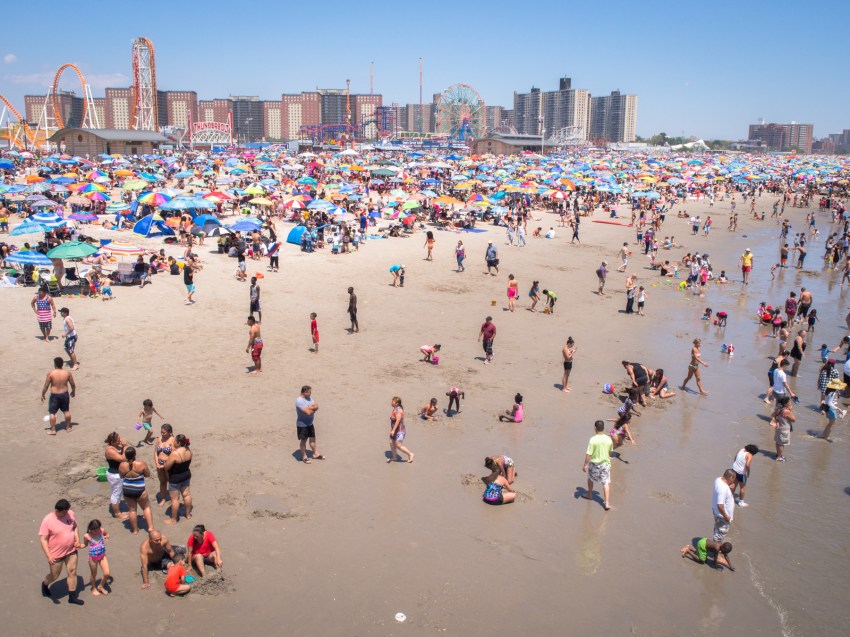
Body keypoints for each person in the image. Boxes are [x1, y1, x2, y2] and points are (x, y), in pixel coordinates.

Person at [39, 499, 84, 605]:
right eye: (61, 512)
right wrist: (48, 555)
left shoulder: (70, 514)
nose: (64, 514)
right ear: (56, 510)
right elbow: (43, 539)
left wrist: (77, 540)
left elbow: (75, 527)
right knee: (54, 575)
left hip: (71, 550)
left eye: (65, 512)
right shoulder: (47, 520)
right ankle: (45, 584)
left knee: (72, 571)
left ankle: (72, 597)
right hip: (56, 554)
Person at [119, 446, 153, 535]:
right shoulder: (141, 463)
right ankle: (150, 527)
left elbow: (121, 476)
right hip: (140, 489)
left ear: (126, 456)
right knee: (146, 507)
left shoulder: (122, 465)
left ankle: (135, 530)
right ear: (135, 454)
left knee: (132, 510)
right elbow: (147, 474)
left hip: (127, 489)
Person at [582, 420, 613, 511]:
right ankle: (607, 503)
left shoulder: (593, 439)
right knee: (605, 482)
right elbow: (610, 451)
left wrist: (585, 465)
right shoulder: (608, 439)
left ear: (595, 428)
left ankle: (590, 494)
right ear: (603, 428)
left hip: (595, 464)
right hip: (605, 464)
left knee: (590, 479)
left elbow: (589, 454)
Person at [161, 434, 192, 524]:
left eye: (174, 441)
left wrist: (165, 461)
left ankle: (174, 519)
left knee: (175, 499)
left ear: (178, 443)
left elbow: (166, 467)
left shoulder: (175, 454)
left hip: (175, 478)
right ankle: (188, 515)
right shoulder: (189, 450)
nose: (173, 442)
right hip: (186, 474)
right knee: (186, 495)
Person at [41, 356, 75, 435]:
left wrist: (43, 394)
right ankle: (68, 427)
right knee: (66, 411)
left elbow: (46, 386)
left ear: (55, 364)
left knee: (52, 413)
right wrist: (73, 391)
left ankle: (53, 430)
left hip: (54, 395)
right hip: (64, 394)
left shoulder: (51, 373)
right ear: (62, 364)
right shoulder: (67, 373)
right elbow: (73, 384)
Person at [295, 385, 323, 463]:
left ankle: (315, 454)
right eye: (309, 392)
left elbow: (316, 406)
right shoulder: (299, 401)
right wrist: (313, 408)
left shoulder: (309, 398)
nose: (311, 394)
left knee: (313, 439)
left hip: (310, 424)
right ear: (305, 392)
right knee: (303, 440)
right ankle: (304, 456)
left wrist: (311, 407)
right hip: (302, 425)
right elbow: (308, 413)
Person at [104, 432, 128, 520]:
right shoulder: (110, 450)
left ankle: (118, 509)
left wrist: (122, 446)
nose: (120, 441)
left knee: (120, 492)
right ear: (112, 441)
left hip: (119, 473)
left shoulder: (116, 446)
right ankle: (117, 513)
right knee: (116, 494)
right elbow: (122, 458)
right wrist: (125, 446)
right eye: (118, 440)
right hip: (114, 475)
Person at [82, 519, 110, 596]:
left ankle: (100, 586)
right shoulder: (87, 536)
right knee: (94, 574)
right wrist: (79, 546)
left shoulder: (102, 530)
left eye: (98, 529)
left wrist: (106, 537)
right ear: (90, 529)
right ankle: (94, 588)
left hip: (102, 555)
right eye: (95, 530)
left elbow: (107, 534)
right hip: (93, 558)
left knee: (107, 573)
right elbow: (84, 545)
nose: (97, 531)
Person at [154, 423, 176, 507]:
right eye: (161, 432)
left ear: (169, 432)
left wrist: (166, 465)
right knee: (162, 482)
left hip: (169, 464)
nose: (162, 434)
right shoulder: (159, 439)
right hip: (160, 464)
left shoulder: (172, 440)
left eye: (164, 432)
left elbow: (173, 454)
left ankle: (173, 498)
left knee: (171, 482)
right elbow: (156, 452)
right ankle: (163, 498)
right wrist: (157, 462)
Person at [712, 469, 737, 541]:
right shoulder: (722, 488)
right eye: (733, 479)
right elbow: (720, 505)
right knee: (719, 537)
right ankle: (716, 550)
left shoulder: (718, 479)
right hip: (722, 516)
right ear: (731, 477)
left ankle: (715, 547)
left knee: (717, 532)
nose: (733, 481)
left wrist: (729, 486)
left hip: (717, 513)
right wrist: (726, 516)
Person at [388, 396, 413, 463]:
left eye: (392, 401)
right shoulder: (395, 409)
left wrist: (393, 430)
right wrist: (392, 430)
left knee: (398, 445)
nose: (391, 402)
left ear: (396, 403)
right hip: (394, 430)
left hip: (400, 431)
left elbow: (398, 421)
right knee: (391, 443)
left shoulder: (399, 410)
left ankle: (410, 454)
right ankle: (394, 457)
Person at [771, 395, 795, 461]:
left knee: (778, 442)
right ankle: (779, 457)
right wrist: (790, 410)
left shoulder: (779, 409)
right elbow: (793, 419)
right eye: (789, 401)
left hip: (779, 429)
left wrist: (776, 421)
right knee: (781, 444)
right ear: (785, 404)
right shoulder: (787, 411)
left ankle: (778, 454)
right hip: (784, 429)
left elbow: (772, 416)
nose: (790, 402)